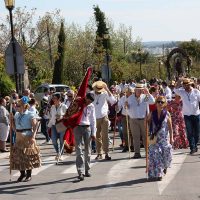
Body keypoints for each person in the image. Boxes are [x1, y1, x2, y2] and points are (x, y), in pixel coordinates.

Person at [11, 96, 41, 182]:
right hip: (18, 135)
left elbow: (35, 126)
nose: (16, 107)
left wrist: (33, 136)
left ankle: (28, 175)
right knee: (19, 156)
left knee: (27, 156)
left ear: (24, 106)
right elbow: (14, 128)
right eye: (16, 105)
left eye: (18, 105)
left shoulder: (30, 114)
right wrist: (11, 121)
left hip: (28, 135)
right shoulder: (16, 115)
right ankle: (22, 174)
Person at [126, 83, 155, 158]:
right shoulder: (130, 98)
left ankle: (147, 152)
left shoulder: (145, 97)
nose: (139, 91)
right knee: (136, 136)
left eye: (141, 90)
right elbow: (127, 108)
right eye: (138, 90)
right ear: (135, 90)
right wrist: (126, 106)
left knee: (145, 136)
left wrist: (148, 93)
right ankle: (137, 153)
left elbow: (152, 101)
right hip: (133, 119)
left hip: (143, 119)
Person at [148, 96, 173, 181]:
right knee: (156, 154)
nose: (160, 103)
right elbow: (147, 123)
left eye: (162, 102)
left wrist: (171, 138)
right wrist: (146, 120)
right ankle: (159, 173)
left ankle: (165, 166)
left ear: (164, 104)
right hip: (155, 139)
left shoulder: (167, 114)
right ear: (156, 103)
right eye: (158, 102)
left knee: (166, 153)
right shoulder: (152, 113)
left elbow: (170, 127)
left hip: (164, 138)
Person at [73, 92, 96, 181]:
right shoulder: (78, 103)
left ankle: (87, 169)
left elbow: (93, 120)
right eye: (88, 100)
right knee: (79, 150)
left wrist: (94, 132)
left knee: (88, 150)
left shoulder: (91, 106)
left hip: (87, 128)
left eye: (91, 101)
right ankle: (80, 172)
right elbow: (70, 113)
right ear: (85, 97)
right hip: (77, 127)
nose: (89, 103)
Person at [174, 78, 200, 154]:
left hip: (196, 114)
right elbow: (175, 89)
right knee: (189, 132)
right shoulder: (182, 92)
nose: (185, 86)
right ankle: (192, 147)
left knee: (197, 132)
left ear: (189, 85)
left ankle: (195, 145)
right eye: (184, 85)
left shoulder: (196, 91)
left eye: (186, 85)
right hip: (187, 115)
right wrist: (179, 81)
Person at [92, 81, 117, 160]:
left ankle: (106, 153)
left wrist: (107, 89)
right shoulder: (91, 94)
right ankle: (99, 153)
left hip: (104, 116)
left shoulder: (105, 93)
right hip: (95, 117)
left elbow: (113, 101)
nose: (98, 91)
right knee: (97, 136)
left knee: (105, 136)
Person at [48, 93, 67, 160]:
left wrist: (61, 116)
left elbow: (68, 115)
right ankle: (58, 152)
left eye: (55, 98)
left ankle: (61, 154)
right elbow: (50, 116)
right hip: (53, 125)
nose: (53, 100)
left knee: (62, 140)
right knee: (53, 140)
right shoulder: (52, 107)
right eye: (53, 98)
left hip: (61, 125)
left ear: (59, 99)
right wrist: (49, 125)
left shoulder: (64, 106)